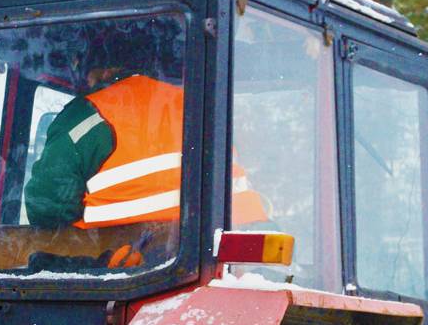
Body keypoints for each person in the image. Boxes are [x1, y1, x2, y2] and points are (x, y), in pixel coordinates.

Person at [25, 38, 267, 264]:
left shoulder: (91, 111)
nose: (87, 83)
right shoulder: (198, 107)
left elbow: (46, 205)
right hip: (242, 249)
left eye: (86, 74)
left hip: (138, 262)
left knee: (42, 262)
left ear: (104, 70)